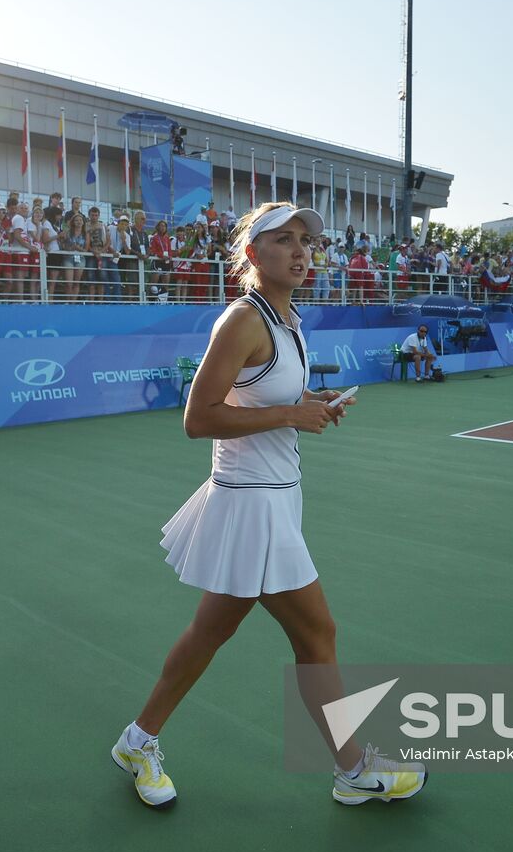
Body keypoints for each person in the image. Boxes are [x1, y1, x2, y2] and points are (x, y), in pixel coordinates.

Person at [114, 201, 425, 810]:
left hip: (276, 500)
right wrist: (292, 414)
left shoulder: (288, 320)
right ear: (254, 255)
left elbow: (269, 391)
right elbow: (197, 419)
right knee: (317, 634)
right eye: (283, 240)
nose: (301, 250)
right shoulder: (242, 321)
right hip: (249, 505)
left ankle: (138, 740)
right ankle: (354, 769)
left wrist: (314, 400)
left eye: (306, 240)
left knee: (210, 633)